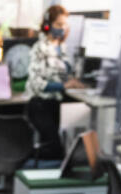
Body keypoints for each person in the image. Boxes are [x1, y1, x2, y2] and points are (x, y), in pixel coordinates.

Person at [25, 5, 85, 159]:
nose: (62, 28)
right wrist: (63, 85)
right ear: (47, 25)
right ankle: (29, 160)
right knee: (55, 148)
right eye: (58, 24)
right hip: (40, 106)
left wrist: (72, 82)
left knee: (69, 144)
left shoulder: (61, 48)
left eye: (65, 25)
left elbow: (61, 74)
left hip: (56, 106)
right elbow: (36, 83)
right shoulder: (40, 48)